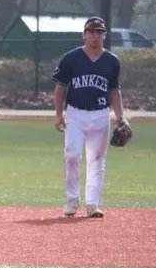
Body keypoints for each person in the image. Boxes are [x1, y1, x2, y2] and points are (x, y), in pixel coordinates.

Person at [51, 16, 127, 218]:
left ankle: (93, 204)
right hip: (75, 114)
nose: (95, 36)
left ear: (104, 35)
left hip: (101, 115)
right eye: (91, 32)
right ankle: (72, 200)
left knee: (97, 159)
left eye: (99, 32)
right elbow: (60, 88)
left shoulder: (112, 61)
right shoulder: (71, 58)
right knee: (72, 155)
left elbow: (114, 91)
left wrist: (120, 117)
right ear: (84, 34)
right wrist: (59, 115)